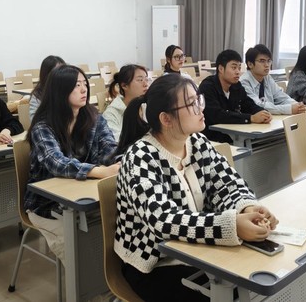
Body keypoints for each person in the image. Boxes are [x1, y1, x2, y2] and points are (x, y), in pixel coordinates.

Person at [115, 74, 278, 302]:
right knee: (228, 294)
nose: (201, 108)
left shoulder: (197, 142)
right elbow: (164, 221)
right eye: (191, 104)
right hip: (153, 264)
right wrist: (231, 225)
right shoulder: (140, 157)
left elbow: (228, 183)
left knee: (249, 283)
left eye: (198, 100)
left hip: (195, 250)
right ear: (166, 119)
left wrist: (247, 208)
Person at [24, 64, 120, 261]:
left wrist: (122, 161)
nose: (84, 89)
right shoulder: (43, 126)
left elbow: (110, 148)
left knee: (117, 232)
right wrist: (100, 171)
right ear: (60, 91)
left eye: (85, 83)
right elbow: (56, 163)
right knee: (80, 250)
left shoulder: (94, 118)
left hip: (85, 197)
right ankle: (88, 279)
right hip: (47, 205)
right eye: (77, 85)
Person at [199, 49, 272, 143]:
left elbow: (248, 104)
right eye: (234, 68)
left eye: (239, 68)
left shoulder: (236, 85)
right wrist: (251, 118)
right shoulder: (207, 87)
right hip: (210, 139)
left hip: (231, 134)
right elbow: (217, 115)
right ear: (221, 69)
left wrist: (263, 112)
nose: (238, 72)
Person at [241, 44, 306, 115]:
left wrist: (297, 105)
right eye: (262, 61)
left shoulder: (267, 77)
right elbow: (258, 106)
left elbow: (281, 97)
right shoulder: (244, 82)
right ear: (250, 64)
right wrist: (289, 109)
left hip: (270, 118)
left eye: (269, 61)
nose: (267, 65)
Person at [102, 64, 150, 141]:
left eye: (147, 79)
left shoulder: (147, 106)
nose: (146, 84)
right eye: (140, 80)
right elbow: (116, 143)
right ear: (124, 86)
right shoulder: (111, 114)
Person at [29, 55, 66, 120]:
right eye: (57, 72)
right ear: (47, 75)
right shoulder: (37, 95)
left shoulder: (69, 91)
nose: (61, 75)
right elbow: (35, 120)